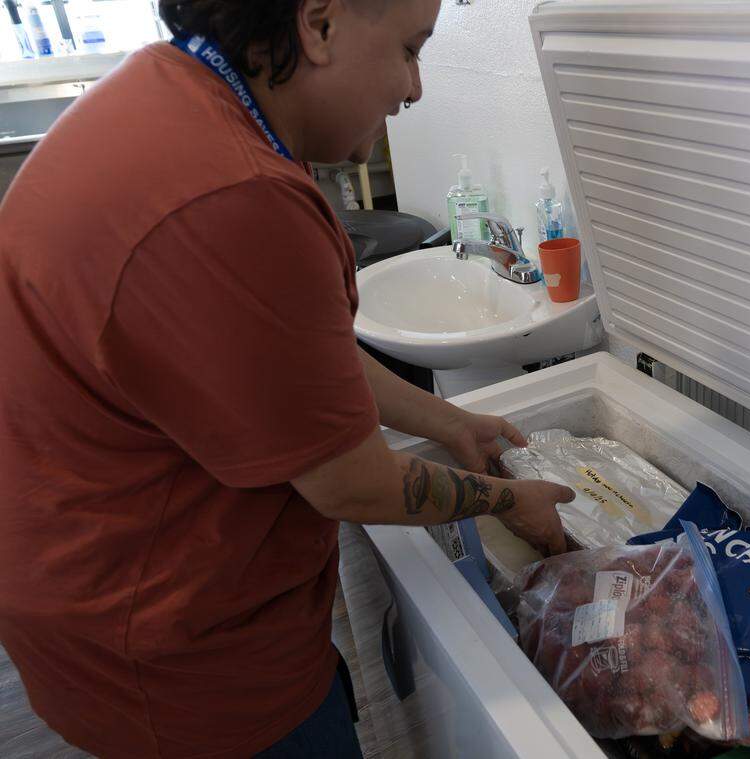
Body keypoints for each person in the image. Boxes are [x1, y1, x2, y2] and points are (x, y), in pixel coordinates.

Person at [0, 0, 574, 756]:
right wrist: (511, 501)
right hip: (176, 649)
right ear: (319, 23)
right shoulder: (235, 196)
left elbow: (300, 361)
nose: (415, 88)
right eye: (409, 48)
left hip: (79, 578)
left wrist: (451, 423)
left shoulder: (178, 98)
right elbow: (350, 484)